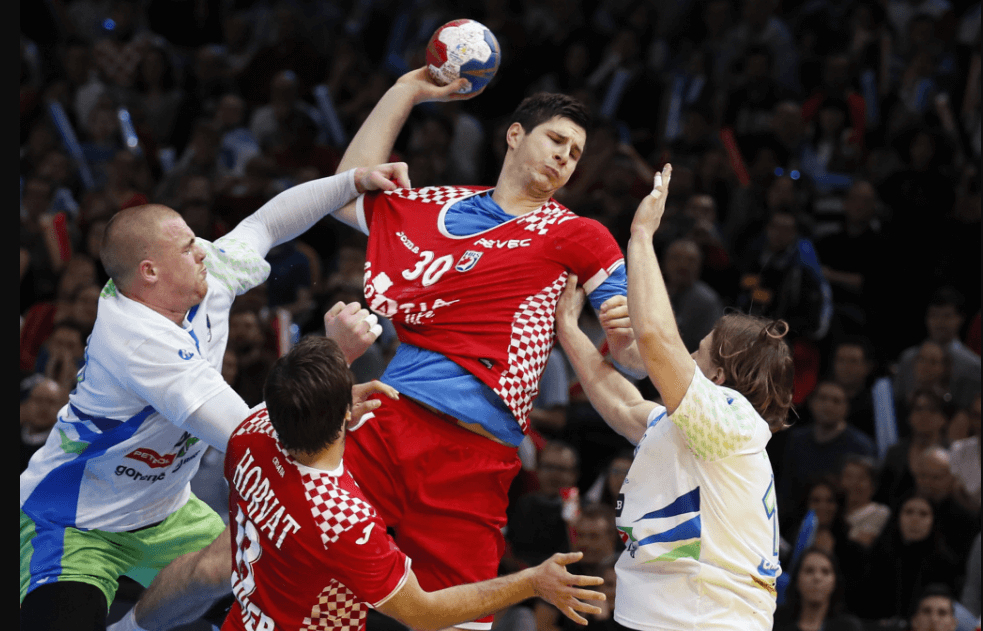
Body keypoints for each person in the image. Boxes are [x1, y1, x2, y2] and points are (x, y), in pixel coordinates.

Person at [20, 161, 406, 631]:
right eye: (188, 248)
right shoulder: (137, 340)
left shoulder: (206, 274)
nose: (203, 251)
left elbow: (267, 223)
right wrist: (333, 358)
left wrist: (352, 181)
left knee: (255, 583)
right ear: (150, 272)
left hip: (166, 511)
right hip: (74, 521)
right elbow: (247, 434)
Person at [327, 67, 646, 630]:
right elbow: (343, 191)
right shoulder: (441, 206)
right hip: (389, 421)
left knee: (462, 624)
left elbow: (635, 359)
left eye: (575, 153)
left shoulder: (578, 233)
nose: (564, 158)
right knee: (308, 573)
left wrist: (624, 337)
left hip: (476, 460)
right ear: (516, 135)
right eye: (556, 140)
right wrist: (407, 91)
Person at [223, 336, 605, 631]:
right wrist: (533, 582)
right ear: (343, 410)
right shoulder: (342, 520)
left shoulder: (248, 435)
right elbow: (424, 613)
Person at [554, 164, 794, 630]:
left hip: (705, 619)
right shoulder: (702, 430)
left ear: (721, 375)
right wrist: (568, 329)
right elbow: (622, 403)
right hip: (672, 616)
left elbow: (657, 340)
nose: (686, 353)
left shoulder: (732, 420)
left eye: (697, 351)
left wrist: (641, 236)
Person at [772, 548, 864, 631]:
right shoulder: (774, 621)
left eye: (825, 572)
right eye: (809, 571)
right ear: (796, 580)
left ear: (835, 581)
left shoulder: (848, 627)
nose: (817, 577)